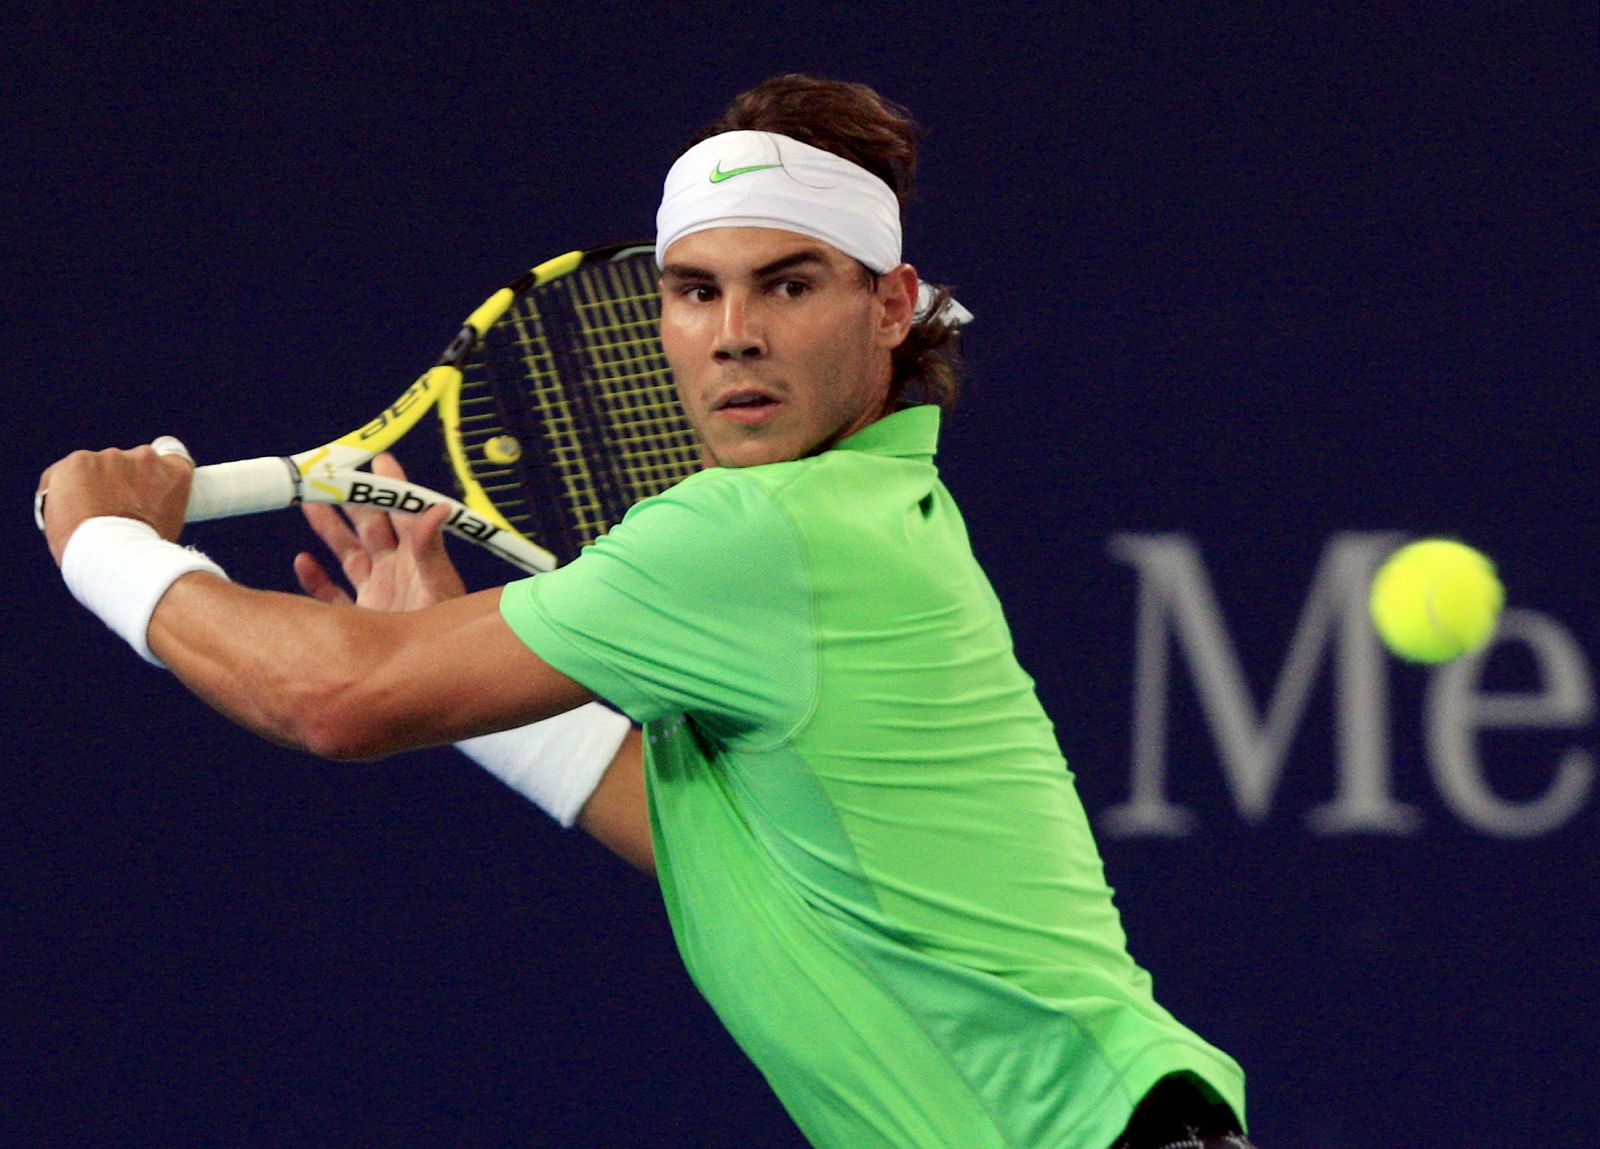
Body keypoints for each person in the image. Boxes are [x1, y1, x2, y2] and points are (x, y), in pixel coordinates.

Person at [38, 75, 1253, 1149]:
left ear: (890, 306)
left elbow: (338, 698)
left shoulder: (765, 531)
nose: (734, 336)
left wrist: (106, 547)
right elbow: (739, 859)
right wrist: (469, 685)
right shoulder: (864, 514)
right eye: (693, 291)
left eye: (788, 284)